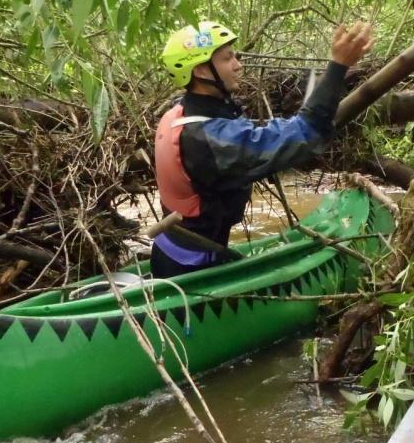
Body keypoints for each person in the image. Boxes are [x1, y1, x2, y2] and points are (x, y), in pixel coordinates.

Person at [151, 20, 373, 278]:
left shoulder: (178, 114)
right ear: (201, 70)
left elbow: (252, 135)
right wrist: (338, 66)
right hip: (192, 268)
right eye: (228, 58)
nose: (238, 65)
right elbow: (305, 133)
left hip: (171, 253)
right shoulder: (208, 140)